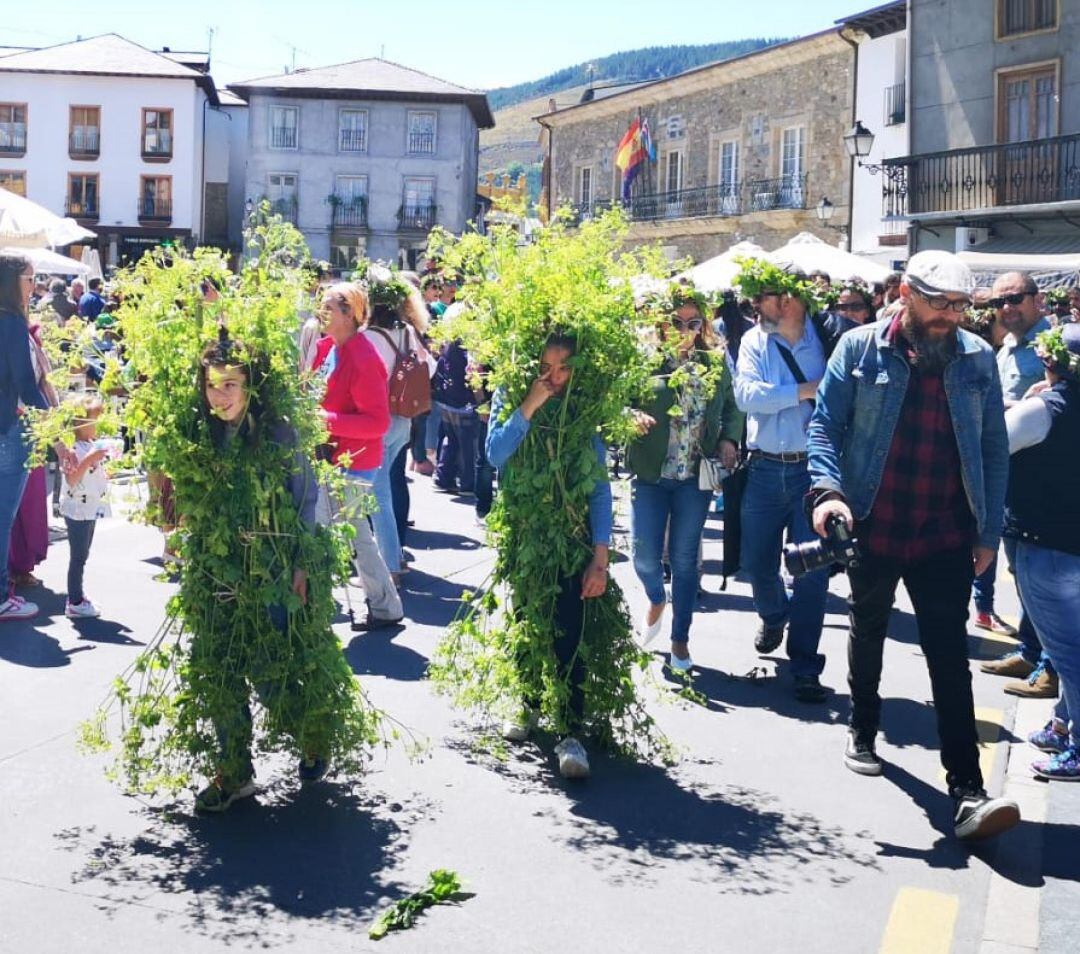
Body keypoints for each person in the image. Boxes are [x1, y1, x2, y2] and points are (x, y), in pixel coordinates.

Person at [807, 249, 1018, 841]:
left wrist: (987, 533)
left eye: (959, 306)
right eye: (939, 303)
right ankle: (863, 727)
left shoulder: (977, 358)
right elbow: (824, 424)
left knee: (949, 655)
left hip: (945, 530)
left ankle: (968, 788)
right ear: (905, 292)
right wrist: (827, 493)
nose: (950, 316)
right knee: (867, 624)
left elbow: (994, 450)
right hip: (874, 518)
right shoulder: (860, 348)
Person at [487, 333, 612, 779]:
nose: (554, 378)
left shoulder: (583, 413)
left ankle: (570, 731)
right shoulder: (511, 392)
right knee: (525, 618)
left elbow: (599, 488)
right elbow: (495, 454)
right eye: (546, 367)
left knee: (567, 632)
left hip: (570, 540)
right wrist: (529, 405)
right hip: (525, 536)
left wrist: (600, 556)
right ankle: (527, 703)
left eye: (563, 368)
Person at [733, 264, 852, 703]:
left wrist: (782, 393)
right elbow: (747, 398)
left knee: (814, 574)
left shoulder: (826, 341)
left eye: (762, 295)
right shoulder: (752, 340)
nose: (754, 304)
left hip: (812, 472)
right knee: (757, 562)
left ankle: (805, 665)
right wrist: (805, 390)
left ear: (787, 300)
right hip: (764, 467)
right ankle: (772, 613)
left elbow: (838, 400)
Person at [627, 284, 743, 671]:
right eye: (677, 322)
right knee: (643, 557)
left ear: (703, 325)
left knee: (684, 560)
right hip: (651, 474)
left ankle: (680, 639)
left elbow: (733, 406)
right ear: (662, 324)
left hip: (694, 476)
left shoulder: (712, 362)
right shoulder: (645, 360)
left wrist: (728, 438)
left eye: (694, 322)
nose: (685, 329)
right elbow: (620, 401)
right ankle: (657, 597)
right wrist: (630, 417)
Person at [1004, 324, 1080, 781]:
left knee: (1068, 654)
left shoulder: (1044, 409)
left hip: (1043, 544)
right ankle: (1061, 724)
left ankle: (1076, 746)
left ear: (1050, 363)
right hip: (1072, 541)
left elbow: (992, 443)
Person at [978, 271, 1058, 699]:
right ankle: (1031, 651)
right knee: (1020, 569)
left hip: (1042, 475)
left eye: (1015, 299)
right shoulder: (1006, 348)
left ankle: (1051, 666)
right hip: (1008, 471)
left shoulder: (1055, 346)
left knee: (1041, 576)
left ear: (1037, 299)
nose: (1006, 308)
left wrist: (1019, 404)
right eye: (998, 302)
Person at [314, 282, 403, 629]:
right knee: (354, 533)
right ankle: (385, 605)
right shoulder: (328, 348)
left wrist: (326, 421)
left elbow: (377, 423)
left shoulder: (364, 357)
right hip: (335, 458)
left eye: (328, 307)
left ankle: (320, 604)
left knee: (328, 530)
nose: (321, 313)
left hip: (353, 461)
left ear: (349, 313)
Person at [362, 267, 431, 582]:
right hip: (403, 419)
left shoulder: (368, 337)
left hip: (377, 421)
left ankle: (390, 564)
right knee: (386, 487)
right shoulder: (405, 331)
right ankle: (394, 556)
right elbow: (428, 366)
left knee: (378, 496)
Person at [0, 253, 50, 622]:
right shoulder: (12, 323)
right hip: (10, 428)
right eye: (29, 278)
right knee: (3, 516)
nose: (35, 286)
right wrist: (54, 419)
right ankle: (2, 595)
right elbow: (24, 382)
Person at [8, 318, 59, 589]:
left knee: (30, 498)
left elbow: (43, 380)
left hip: (32, 424)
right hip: (11, 425)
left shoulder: (31, 334)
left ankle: (21, 565)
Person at [59, 394, 111, 618]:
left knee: (83, 554)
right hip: (77, 509)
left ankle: (78, 595)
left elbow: (92, 472)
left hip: (89, 507)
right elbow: (72, 480)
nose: (98, 424)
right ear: (81, 424)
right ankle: (75, 601)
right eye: (95, 420)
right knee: (78, 556)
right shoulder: (73, 451)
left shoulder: (89, 445)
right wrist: (90, 459)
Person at [432, 302, 478, 494]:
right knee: (468, 443)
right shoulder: (470, 337)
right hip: (463, 397)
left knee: (451, 437)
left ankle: (443, 477)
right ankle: (467, 483)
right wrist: (480, 397)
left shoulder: (452, 314)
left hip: (446, 392)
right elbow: (473, 370)